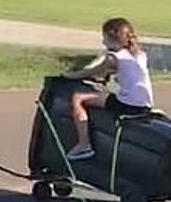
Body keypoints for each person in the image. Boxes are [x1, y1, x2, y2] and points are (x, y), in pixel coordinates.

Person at [63, 17, 155, 161]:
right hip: (145, 104)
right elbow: (125, 73)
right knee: (106, 94)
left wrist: (69, 76)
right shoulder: (140, 55)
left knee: (78, 98)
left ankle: (84, 144)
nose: (103, 42)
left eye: (104, 37)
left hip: (127, 105)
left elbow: (90, 72)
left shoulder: (113, 57)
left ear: (112, 39)